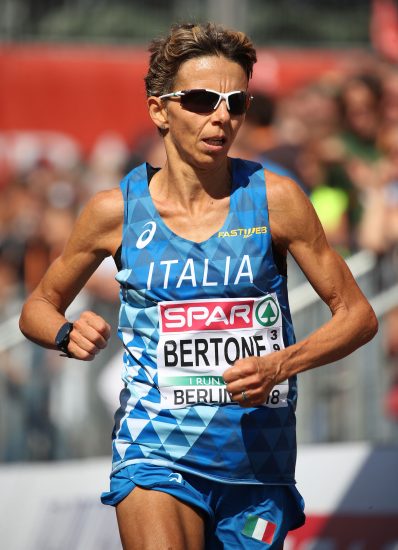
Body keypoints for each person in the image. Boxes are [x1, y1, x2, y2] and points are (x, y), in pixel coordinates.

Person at [19, 22, 378, 550]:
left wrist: (281, 363)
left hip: (257, 459)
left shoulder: (276, 200)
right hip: (155, 448)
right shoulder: (113, 211)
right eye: (202, 99)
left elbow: (358, 316)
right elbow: (37, 307)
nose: (222, 117)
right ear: (158, 110)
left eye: (236, 102)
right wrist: (65, 332)